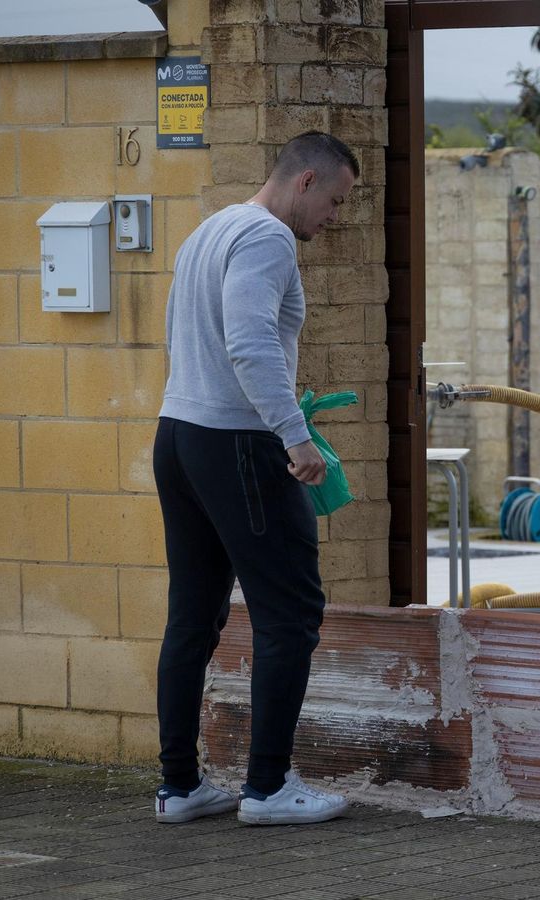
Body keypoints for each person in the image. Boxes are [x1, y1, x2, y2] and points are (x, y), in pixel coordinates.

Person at [152, 131, 359, 826]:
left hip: (179, 435)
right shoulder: (268, 239)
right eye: (335, 200)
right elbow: (248, 341)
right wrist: (294, 437)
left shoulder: (209, 229)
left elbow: (198, 341)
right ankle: (268, 788)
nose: (336, 218)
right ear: (304, 182)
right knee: (291, 615)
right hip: (238, 443)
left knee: (193, 616)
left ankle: (179, 788)